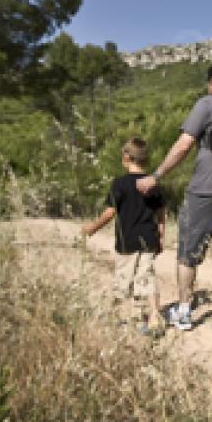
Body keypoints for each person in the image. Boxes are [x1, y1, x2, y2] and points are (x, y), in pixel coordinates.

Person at [137, 62, 212, 348]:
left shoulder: (207, 103)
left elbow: (183, 145)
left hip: (204, 189)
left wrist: (157, 175)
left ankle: (185, 311)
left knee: (188, 251)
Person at [82, 137, 165, 336]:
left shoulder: (119, 184)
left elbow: (110, 212)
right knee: (147, 277)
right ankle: (154, 316)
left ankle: (114, 316)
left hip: (126, 240)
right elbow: (160, 214)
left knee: (122, 277)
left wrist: (93, 227)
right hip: (148, 239)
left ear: (126, 158)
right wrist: (161, 236)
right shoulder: (153, 184)